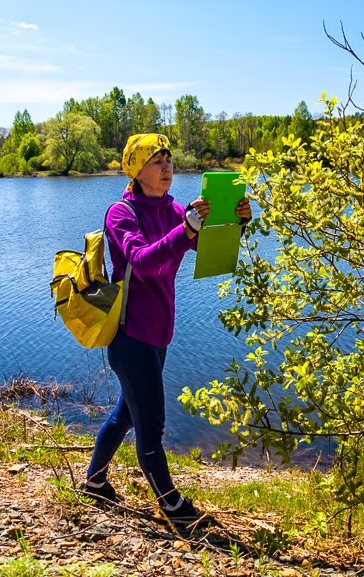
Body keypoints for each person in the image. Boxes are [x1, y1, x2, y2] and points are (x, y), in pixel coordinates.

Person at [80, 133, 251, 523]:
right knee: (151, 426)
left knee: (126, 414)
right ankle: (173, 506)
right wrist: (187, 227)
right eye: (157, 161)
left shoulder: (175, 209)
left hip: (158, 336)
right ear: (136, 170)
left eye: (169, 160)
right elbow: (142, 261)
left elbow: (206, 247)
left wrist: (234, 221)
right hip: (130, 337)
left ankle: (94, 482)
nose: (167, 167)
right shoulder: (120, 214)